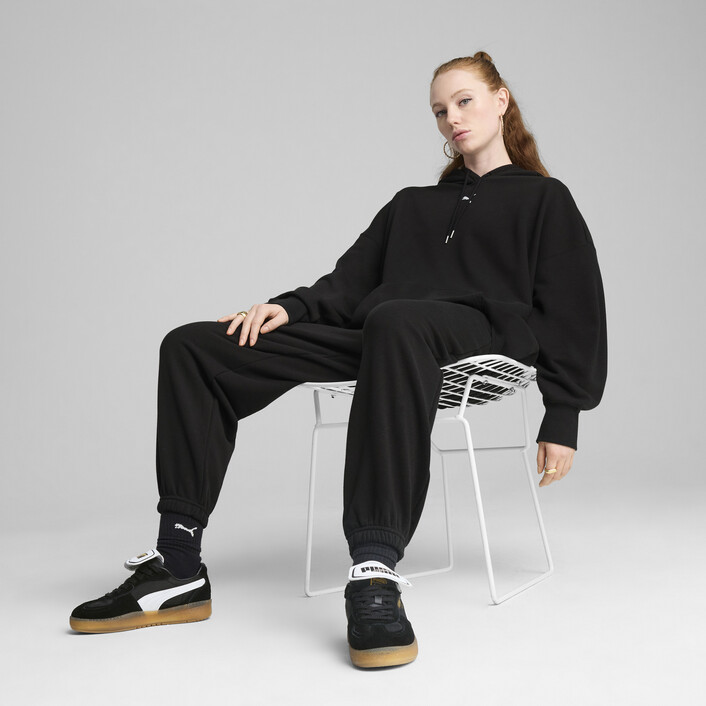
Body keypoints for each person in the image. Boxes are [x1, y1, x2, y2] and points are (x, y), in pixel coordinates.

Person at [69, 51, 607, 669]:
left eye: (464, 102)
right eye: (439, 110)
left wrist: (563, 414)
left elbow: (575, 309)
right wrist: (288, 308)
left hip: (478, 339)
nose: (452, 119)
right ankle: (178, 563)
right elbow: (348, 284)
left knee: (396, 319)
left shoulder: (545, 199)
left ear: (501, 100)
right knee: (192, 345)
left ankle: (374, 569)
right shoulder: (411, 204)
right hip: (384, 337)